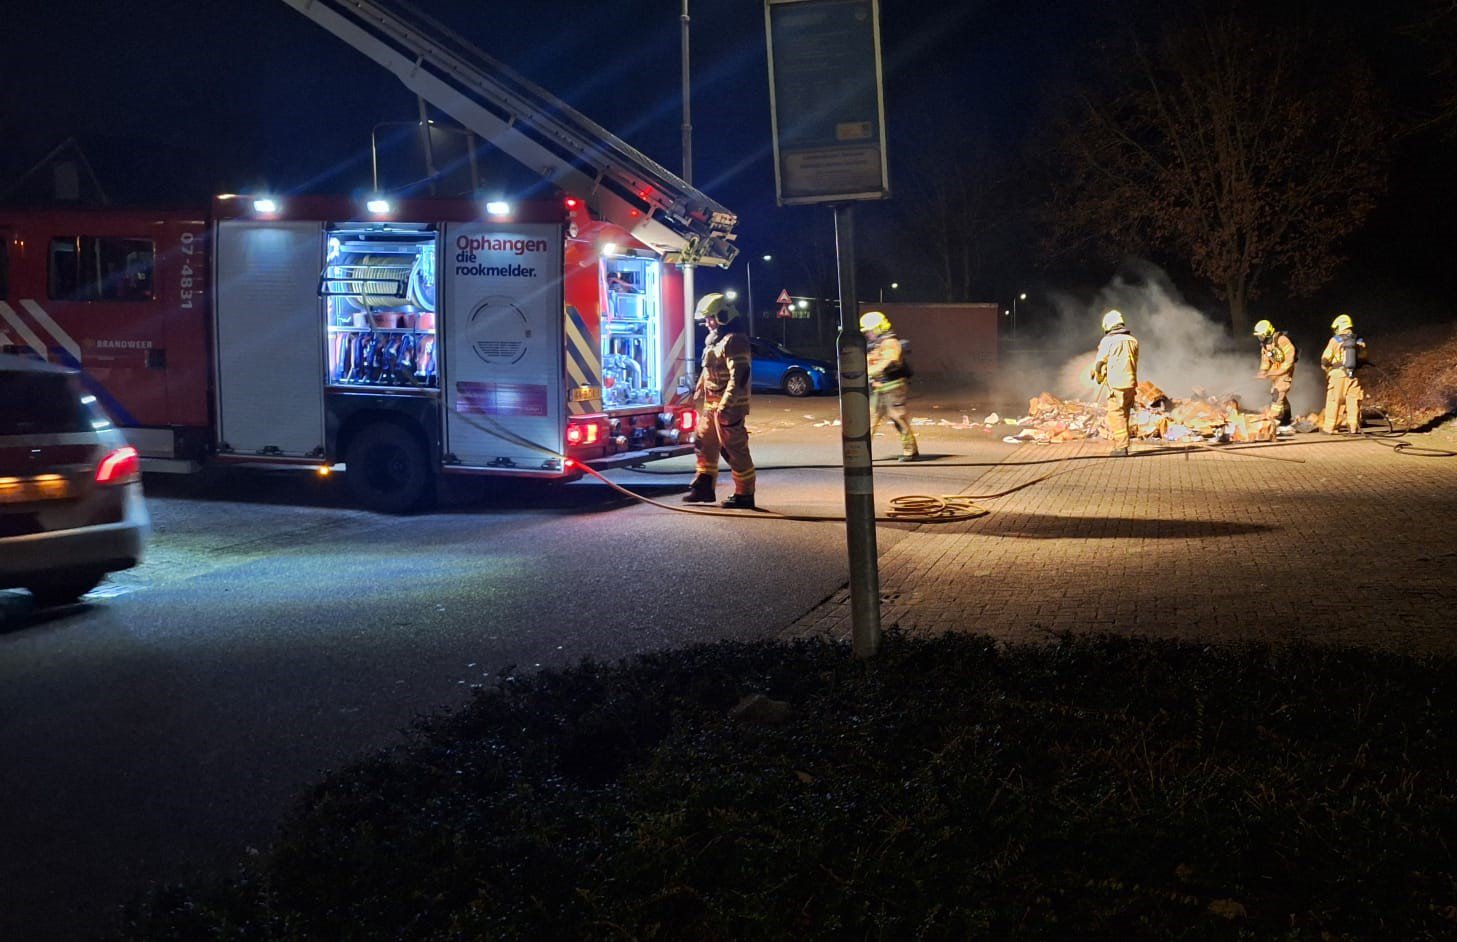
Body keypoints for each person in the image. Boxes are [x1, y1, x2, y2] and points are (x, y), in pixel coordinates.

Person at [683, 292, 757, 508]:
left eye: (710, 318)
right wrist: (698, 388)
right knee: (704, 443)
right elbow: (710, 370)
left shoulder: (735, 341)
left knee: (734, 449)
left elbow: (739, 376)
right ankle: (704, 486)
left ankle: (745, 494)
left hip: (728, 407)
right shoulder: (716, 340)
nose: (707, 323)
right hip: (712, 405)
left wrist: (726, 406)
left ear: (723, 315)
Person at [860, 310, 920, 461]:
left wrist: (867, 372)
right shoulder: (876, 344)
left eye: (870, 331)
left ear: (878, 328)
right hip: (879, 388)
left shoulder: (890, 343)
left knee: (898, 417)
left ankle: (910, 451)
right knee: (870, 419)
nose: (868, 334)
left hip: (894, 387)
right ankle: (861, 452)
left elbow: (887, 362)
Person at [1089, 309, 1140, 456]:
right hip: (1131, 383)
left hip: (1116, 385)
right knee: (1125, 413)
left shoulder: (1108, 341)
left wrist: (1097, 374)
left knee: (1116, 414)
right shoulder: (1133, 340)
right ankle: (1125, 444)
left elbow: (1099, 362)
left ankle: (1121, 447)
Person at [1319, 314, 1366, 434]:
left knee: (1333, 400)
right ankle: (1353, 427)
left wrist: (1327, 370)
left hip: (1338, 374)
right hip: (1354, 375)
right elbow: (1364, 357)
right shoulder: (1359, 341)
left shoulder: (1335, 340)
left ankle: (1329, 428)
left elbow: (1325, 359)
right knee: (1353, 400)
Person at [1252, 319, 1297, 425]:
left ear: (1267, 333)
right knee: (1277, 392)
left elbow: (1290, 357)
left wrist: (1278, 372)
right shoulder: (1265, 345)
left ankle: (1273, 417)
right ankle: (1286, 417)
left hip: (1286, 369)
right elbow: (1266, 360)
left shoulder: (1281, 340)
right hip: (1276, 369)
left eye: (1261, 335)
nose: (1260, 338)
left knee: (1278, 391)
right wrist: (1263, 371)